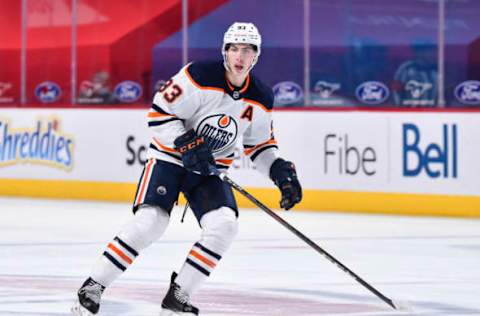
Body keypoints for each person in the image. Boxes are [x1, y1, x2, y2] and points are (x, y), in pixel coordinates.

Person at [71, 22, 302, 316]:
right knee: (150, 222)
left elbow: (259, 146)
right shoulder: (198, 76)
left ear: (256, 55)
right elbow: (158, 114)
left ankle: (179, 293)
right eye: (233, 49)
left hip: (209, 170)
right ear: (224, 52)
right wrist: (185, 142)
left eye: (247, 50)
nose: (239, 56)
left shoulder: (261, 97)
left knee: (224, 226)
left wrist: (280, 173)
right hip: (169, 159)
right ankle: (94, 284)